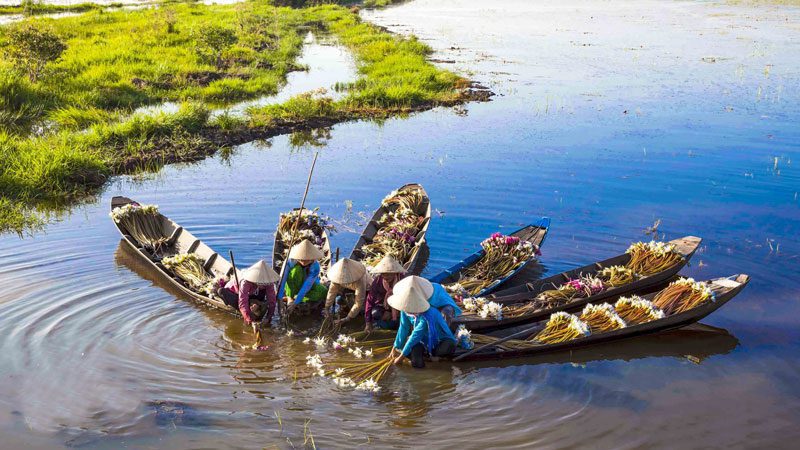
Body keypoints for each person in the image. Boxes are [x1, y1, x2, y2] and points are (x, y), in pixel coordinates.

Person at [389, 276, 457, 368]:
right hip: (423, 340)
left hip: (440, 340)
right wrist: (395, 348)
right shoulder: (405, 310)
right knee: (416, 363)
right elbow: (403, 328)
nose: (409, 310)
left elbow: (416, 335)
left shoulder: (428, 314)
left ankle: (436, 355)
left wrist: (400, 358)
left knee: (444, 349)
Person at [218, 260, 280, 332]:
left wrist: (268, 318)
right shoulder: (246, 282)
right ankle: (249, 312)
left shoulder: (269, 282)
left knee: (265, 303)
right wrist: (250, 320)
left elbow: (272, 301)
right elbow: (242, 302)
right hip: (238, 294)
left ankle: (254, 307)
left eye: (264, 282)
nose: (263, 283)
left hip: (254, 295)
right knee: (221, 291)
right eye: (260, 282)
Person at [278, 240, 328, 314]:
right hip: (292, 286)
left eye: (307, 260)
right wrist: (279, 299)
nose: (304, 262)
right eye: (302, 259)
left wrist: (296, 303)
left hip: (307, 285)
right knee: (297, 270)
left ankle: (298, 298)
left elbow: (307, 286)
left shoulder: (315, 266)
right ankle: (290, 297)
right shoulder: (289, 262)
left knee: (324, 291)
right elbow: (282, 280)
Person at [364, 255, 407, 332]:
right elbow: (369, 300)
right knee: (375, 313)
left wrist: (391, 311)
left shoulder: (403, 280)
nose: (386, 276)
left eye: (389, 273)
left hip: (400, 307)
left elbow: (407, 299)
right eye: (383, 274)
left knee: (402, 322)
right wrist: (368, 322)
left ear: (395, 272)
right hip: (383, 306)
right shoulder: (377, 281)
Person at [324, 258, 371, 326]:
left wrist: (347, 318)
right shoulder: (337, 277)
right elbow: (331, 292)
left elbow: (358, 302)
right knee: (339, 301)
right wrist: (327, 308)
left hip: (366, 290)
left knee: (361, 311)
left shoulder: (359, 278)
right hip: (349, 288)